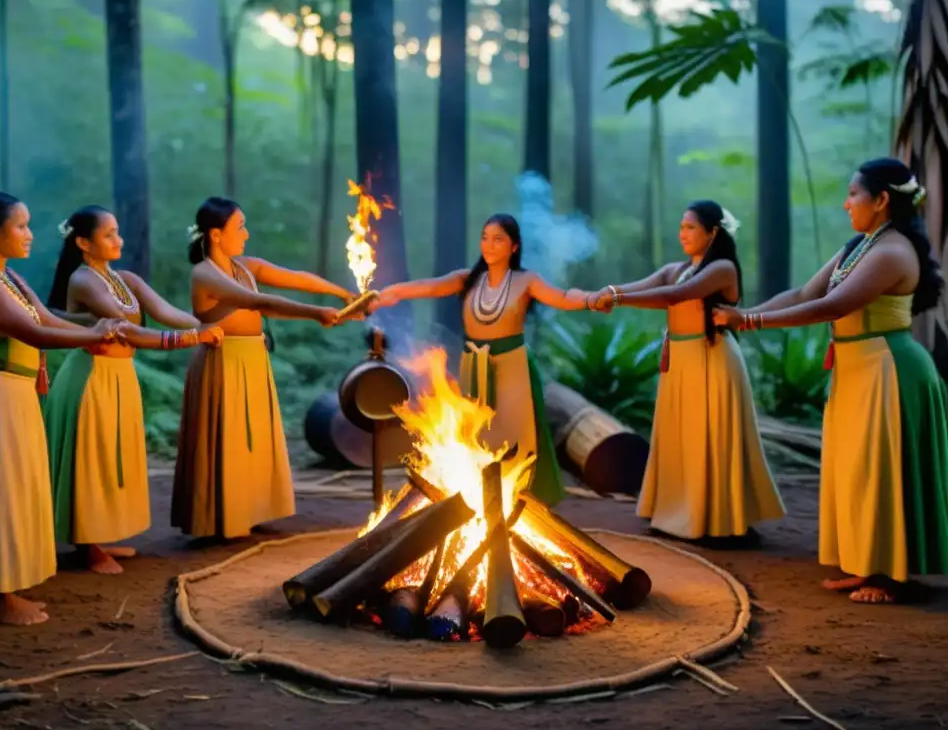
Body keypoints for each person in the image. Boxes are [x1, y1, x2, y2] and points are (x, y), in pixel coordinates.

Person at [713, 158, 948, 603]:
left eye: (853, 194)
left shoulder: (893, 251)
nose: (846, 204)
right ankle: (869, 565)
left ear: (880, 201)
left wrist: (751, 320)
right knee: (857, 470)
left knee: (880, 471)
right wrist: (743, 316)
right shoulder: (860, 246)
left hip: (888, 370)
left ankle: (889, 575)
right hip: (858, 370)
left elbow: (833, 306)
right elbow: (806, 294)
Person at [0, 190, 125, 625]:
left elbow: (46, 319)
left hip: (11, 395)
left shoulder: (8, 278)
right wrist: (97, 336)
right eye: (21, 226)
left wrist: (97, 327)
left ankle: (5, 587)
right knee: (0, 492)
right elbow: (35, 334)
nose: (30, 234)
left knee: (15, 490)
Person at [370, 213, 600, 505]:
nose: (489, 245)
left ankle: (519, 499)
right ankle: (479, 498)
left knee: (516, 435)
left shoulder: (526, 280)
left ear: (514, 246)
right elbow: (428, 286)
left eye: (498, 239)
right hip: (474, 364)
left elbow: (563, 297)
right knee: (476, 434)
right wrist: (392, 293)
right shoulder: (468, 279)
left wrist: (594, 299)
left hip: (512, 365)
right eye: (485, 238)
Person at [43, 206, 224, 575]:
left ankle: (99, 535)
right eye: (108, 234)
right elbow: (129, 331)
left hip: (119, 376)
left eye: (117, 232)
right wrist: (193, 337)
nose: (118, 240)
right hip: (90, 378)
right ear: (83, 242)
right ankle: (86, 545)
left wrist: (212, 327)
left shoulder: (122, 277)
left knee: (113, 456)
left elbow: (165, 310)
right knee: (91, 458)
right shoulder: (83, 280)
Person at [592, 200, 786, 541]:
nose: (683, 233)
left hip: (710, 359)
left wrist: (618, 300)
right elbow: (650, 284)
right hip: (680, 360)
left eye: (691, 227)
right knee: (679, 436)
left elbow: (678, 295)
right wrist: (609, 292)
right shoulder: (677, 267)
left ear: (713, 233)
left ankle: (716, 520)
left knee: (706, 435)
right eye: (681, 227)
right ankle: (677, 512)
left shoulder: (722, 268)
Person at [171, 197, 355, 540]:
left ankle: (252, 509)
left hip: (253, 359)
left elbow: (293, 280)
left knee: (253, 437)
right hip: (222, 361)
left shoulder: (246, 267)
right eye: (239, 226)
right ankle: (223, 518)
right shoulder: (205, 274)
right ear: (215, 234)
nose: (246, 233)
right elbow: (257, 301)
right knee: (228, 437)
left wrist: (340, 293)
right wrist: (315, 313)